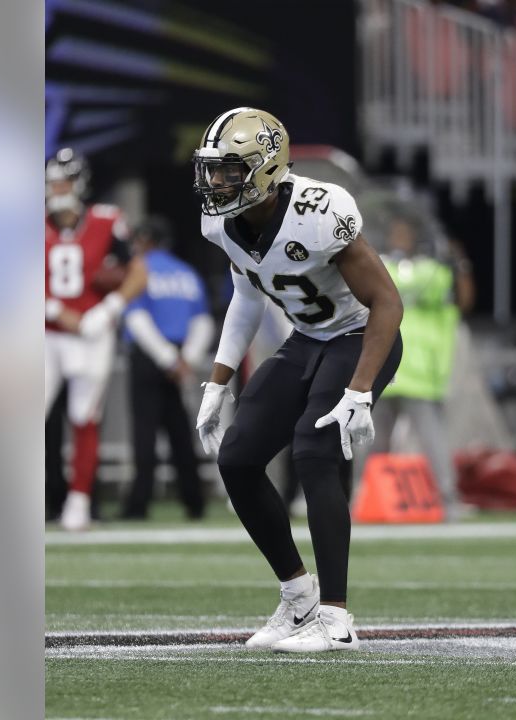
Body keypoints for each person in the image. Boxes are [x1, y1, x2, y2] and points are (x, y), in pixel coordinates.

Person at [191, 107, 404, 653]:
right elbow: (246, 296)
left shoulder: (319, 209)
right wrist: (218, 381)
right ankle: (298, 598)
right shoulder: (222, 223)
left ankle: (335, 619)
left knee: (314, 448)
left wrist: (359, 390)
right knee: (237, 458)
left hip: (360, 335)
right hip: (308, 339)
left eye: (229, 170)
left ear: (265, 169)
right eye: (212, 169)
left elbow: (386, 302)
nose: (216, 182)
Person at [44, 148, 147, 531]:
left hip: (91, 333)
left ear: (80, 184)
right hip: (45, 333)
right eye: (52, 182)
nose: (56, 189)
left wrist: (106, 311)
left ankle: (79, 501)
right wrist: (54, 311)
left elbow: (138, 274)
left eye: (63, 181)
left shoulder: (107, 220)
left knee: (84, 417)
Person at [372, 217, 471, 519]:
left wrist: (459, 264)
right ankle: (359, 498)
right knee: (370, 443)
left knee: (433, 442)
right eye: (396, 232)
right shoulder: (382, 267)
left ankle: (448, 501)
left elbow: (463, 301)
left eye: (406, 232)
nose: (400, 237)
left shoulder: (431, 271)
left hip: (418, 373)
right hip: (382, 367)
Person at [118, 217, 214, 520]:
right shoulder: (186, 273)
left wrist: (165, 359)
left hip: (150, 356)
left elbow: (137, 319)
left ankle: (139, 504)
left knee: (145, 434)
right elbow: (203, 321)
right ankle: (194, 501)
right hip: (181, 354)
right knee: (180, 434)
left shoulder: (140, 270)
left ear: (144, 240)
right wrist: (186, 359)